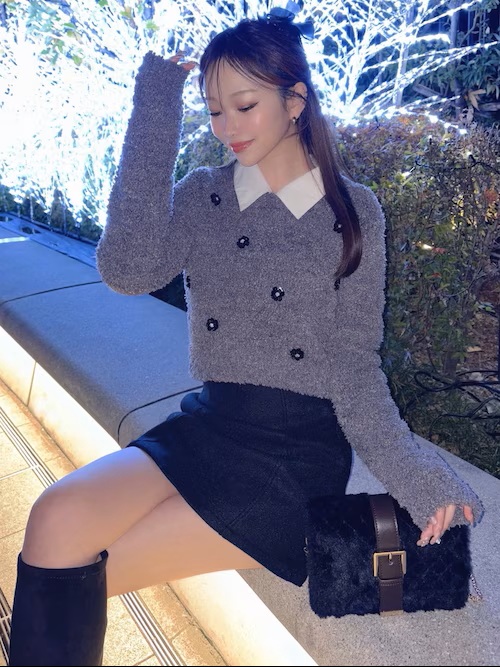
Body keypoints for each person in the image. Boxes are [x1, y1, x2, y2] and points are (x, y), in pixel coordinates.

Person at [8, 6, 484, 667]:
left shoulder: (353, 211)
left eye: (245, 105)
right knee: (54, 517)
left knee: (70, 576)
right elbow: (126, 269)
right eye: (213, 111)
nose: (227, 128)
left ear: (296, 101)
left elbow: (355, 367)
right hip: (208, 422)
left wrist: (418, 475)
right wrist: (155, 111)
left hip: (291, 456)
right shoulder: (204, 195)